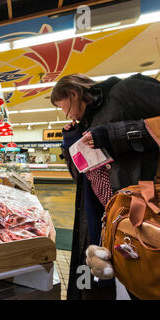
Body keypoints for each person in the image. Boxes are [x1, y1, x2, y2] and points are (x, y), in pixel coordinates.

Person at [50, 73, 160, 300]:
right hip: (105, 225)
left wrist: (117, 134)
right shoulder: (86, 124)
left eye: (64, 107)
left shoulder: (126, 92)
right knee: (107, 289)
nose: (66, 114)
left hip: (144, 218)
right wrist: (70, 141)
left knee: (144, 285)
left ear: (73, 93)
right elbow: (82, 177)